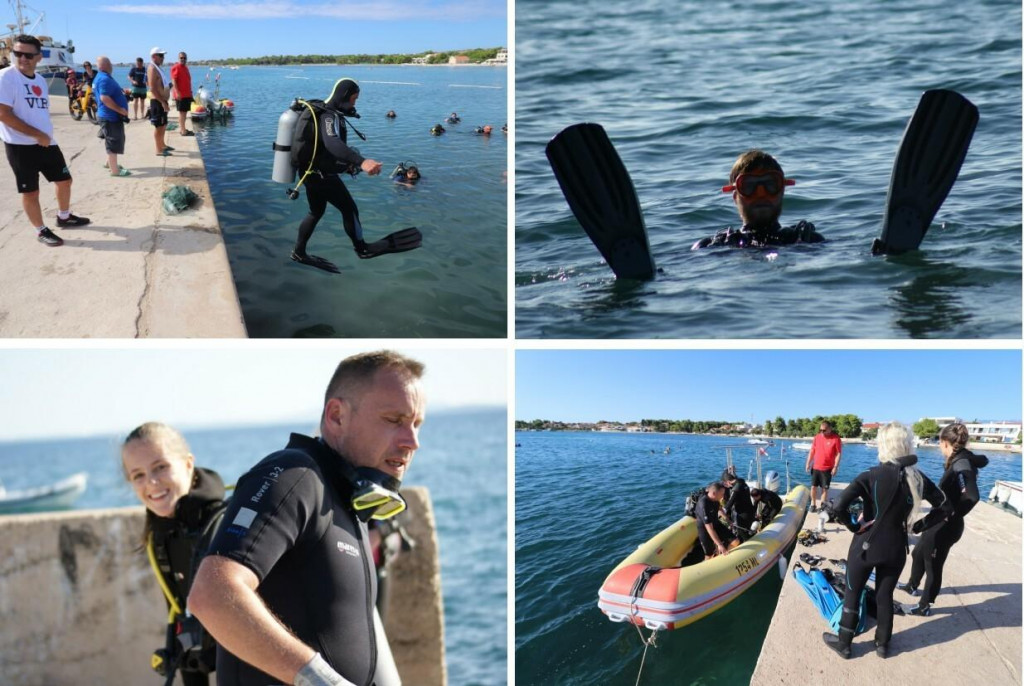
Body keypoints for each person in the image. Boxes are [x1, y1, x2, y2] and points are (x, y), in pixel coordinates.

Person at [189, 350, 424, 686]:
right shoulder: (294, 476)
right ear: (337, 415)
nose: (411, 441)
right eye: (393, 420)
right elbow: (213, 595)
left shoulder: (347, 498)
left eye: (416, 424)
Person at [824, 422, 947, 659]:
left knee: (853, 593)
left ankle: (844, 643)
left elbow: (838, 506)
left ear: (883, 445)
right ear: (906, 445)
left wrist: (853, 525)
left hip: (866, 546)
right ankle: (882, 644)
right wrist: (920, 526)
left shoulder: (870, 475)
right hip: (896, 548)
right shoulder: (918, 478)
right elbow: (945, 507)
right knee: (884, 596)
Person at [121, 422, 226, 686]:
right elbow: (180, 617)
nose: (152, 483)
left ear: (188, 464)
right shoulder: (159, 535)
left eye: (161, 467)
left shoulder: (225, 526)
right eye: (138, 475)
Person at [0, 34, 90, 247]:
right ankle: (40, 230)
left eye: (28, 55)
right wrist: (36, 134)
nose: (23, 58)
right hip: (21, 146)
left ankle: (64, 216)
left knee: (64, 180)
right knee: (31, 191)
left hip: (46, 143)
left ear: (39, 57)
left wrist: (44, 135)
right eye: (18, 53)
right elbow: (3, 113)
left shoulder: (40, 80)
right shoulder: (5, 77)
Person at [288, 78, 385, 272]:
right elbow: (332, 143)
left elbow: (326, 150)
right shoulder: (328, 116)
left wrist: (345, 166)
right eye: (354, 99)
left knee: (316, 212)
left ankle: (299, 253)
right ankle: (362, 248)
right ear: (344, 96)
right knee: (350, 209)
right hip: (321, 176)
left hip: (310, 173)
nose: (354, 103)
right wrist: (362, 161)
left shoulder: (327, 113)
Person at [900, 422, 988, 615]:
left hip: (947, 526)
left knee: (933, 565)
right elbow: (982, 460)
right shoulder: (962, 458)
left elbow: (972, 496)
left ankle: (924, 606)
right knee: (918, 553)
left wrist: (953, 515)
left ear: (945, 443)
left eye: (940, 443)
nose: (939, 448)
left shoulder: (961, 463)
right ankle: (912, 585)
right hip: (937, 521)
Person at [691, 150, 824, 249]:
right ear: (735, 196)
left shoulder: (808, 240)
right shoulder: (710, 247)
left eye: (770, 185)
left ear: (782, 191)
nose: (761, 194)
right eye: (749, 186)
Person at [93, 56, 132, 177]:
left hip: (107, 116)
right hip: (110, 117)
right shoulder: (104, 79)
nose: (112, 65)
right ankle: (115, 171)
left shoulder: (100, 77)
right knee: (113, 142)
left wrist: (122, 93)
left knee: (111, 141)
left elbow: (107, 94)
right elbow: (104, 98)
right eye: (110, 63)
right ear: (106, 65)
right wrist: (120, 109)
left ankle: (109, 164)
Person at [805, 420, 842, 513]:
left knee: (824, 489)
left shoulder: (836, 439)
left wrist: (835, 467)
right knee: (813, 487)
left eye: (824, 430)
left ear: (830, 429)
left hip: (827, 469)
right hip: (816, 467)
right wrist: (808, 462)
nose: (822, 432)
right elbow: (812, 451)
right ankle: (813, 505)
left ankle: (822, 506)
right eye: (820, 430)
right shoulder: (817, 437)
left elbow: (838, 453)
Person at [695, 481, 739, 559]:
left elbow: (719, 509)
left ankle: (722, 558)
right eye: (722, 494)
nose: (723, 496)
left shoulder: (715, 500)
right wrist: (720, 545)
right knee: (709, 555)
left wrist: (729, 521)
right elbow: (709, 528)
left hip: (716, 524)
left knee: (736, 541)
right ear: (714, 493)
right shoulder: (704, 505)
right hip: (705, 529)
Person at [147, 47, 173, 156]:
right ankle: (158, 149)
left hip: (162, 100)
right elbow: (152, 88)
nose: (163, 58)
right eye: (161, 55)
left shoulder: (158, 68)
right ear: (154, 56)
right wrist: (162, 102)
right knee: (159, 126)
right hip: (158, 101)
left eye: (163, 56)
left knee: (163, 124)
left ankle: (162, 145)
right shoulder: (152, 68)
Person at [721, 469, 756, 541]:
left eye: (725, 483)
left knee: (742, 534)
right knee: (748, 531)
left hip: (743, 516)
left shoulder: (736, 489)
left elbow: (729, 504)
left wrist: (720, 512)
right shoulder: (742, 482)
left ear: (728, 481)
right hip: (750, 511)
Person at [170, 50, 194, 136]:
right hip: (181, 95)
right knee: (182, 113)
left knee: (185, 113)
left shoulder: (186, 68)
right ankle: (183, 131)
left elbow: (188, 81)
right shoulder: (176, 67)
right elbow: (174, 81)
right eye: (181, 58)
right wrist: (177, 92)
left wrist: (190, 93)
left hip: (187, 94)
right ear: (178, 58)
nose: (183, 59)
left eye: (184, 58)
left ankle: (183, 129)